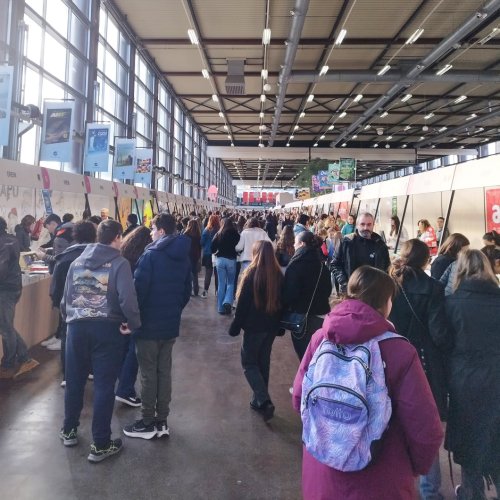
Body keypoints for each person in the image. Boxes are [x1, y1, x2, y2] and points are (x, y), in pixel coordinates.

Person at [292, 266, 443, 500]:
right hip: (380, 478)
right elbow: (425, 428)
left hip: (321, 473)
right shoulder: (400, 351)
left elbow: (298, 397)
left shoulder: (321, 338)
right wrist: (413, 467)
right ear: (385, 302)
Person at [60, 220, 141, 462]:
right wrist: (133, 324)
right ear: (117, 237)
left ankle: (69, 430)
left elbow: (65, 300)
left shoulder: (77, 262)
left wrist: (72, 320)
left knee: (74, 381)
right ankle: (101, 443)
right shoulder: (119, 263)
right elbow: (127, 299)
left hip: (76, 328)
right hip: (107, 330)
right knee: (104, 385)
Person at [388, 239, 450, 500]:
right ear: (426, 260)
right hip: (424, 363)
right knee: (426, 426)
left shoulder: (389, 284)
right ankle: (429, 491)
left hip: (391, 359)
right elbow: (439, 333)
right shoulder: (434, 288)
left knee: (391, 426)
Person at [123, 213, 191, 440]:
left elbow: (138, 292)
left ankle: (147, 422)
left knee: (148, 374)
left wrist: (132, 320)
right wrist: (174, 310)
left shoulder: (150, 256)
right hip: (169, 325)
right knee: (164, 372)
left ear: (161, 231)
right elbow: (185, 292)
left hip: (148, 326)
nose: (151, 234)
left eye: (153, 229)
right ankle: (162, 420)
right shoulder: (183, 256)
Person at [445, 249, 500, 500]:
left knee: (469, 444)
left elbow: (445, 341)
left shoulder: (451, 303)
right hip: (496, 376)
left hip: (464, 380)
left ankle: (472, 494)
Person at [229, 240, 283, 422]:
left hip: (254, 327)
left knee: (249, 363)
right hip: (271, 327)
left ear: (255, 254)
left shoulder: (251, 274)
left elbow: (242, 305)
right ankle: (257, 400)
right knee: (263, 362)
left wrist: (236, 325)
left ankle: (264, 401)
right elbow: (283, 303)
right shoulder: (278, 275)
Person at [50, 220, 97, 386]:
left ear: (75, 235)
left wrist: (58, 303)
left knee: (67, 338)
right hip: (95, 306)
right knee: (92, 338)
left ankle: (68, 375)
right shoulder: (101, 256)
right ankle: (91, 369)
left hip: (69, 306)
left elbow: (56, 286)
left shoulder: (65, 257)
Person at [115, 226, 152, 407]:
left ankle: (122, 383)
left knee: (122, 348)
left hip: (118, 307)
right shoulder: (145, 259)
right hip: (134, 308)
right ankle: (125, 389)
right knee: (133, 349)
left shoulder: (122, 256)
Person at [282, 231, 332, 360]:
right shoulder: (322, 266)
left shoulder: (295, 265)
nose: (294, 245)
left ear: (302, 244)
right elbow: (328, 290)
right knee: (317, 356)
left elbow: (289, 294)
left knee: (304, 357)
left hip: (301, 317)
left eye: (295, 243)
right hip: (321, 316)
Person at [0, 217, 40, 379]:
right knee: (5, 325)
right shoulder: (12, 239)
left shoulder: (2, 243)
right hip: (13, 286)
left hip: (5, 289)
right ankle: (24, 358)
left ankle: (8, 365)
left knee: (5, 328)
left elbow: (1, 270)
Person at [330, 212, 390, 294]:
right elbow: (335, 264)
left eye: (369, 224)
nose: (366, 227)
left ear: (373, 225)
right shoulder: (346, 242)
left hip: (374, 292)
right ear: (357, 225)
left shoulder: (380, 244)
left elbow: (387, 267)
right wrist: (345, 283)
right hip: (351, 291)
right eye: (362, 224)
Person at [211, 217, 240, 315]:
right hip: (231, 260)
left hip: (220, 260)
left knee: (221, 284)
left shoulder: (218, 234)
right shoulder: (236, 234)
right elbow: (239, 248)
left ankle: (220, 308)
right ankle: (227, 301)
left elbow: (212, 248)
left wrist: (216, 251)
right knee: (231, 283)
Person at [200, 215, 220, 299]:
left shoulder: (206, 230)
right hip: (217, 254)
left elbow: (202, 242)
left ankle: (205, 291)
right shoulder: (220, 230)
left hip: (208, 253)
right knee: (217, 273)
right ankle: (217, 291)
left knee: (208, 273)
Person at [183, 219, 202, 296]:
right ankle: (196, 290)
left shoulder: (186, 234)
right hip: (195, 256)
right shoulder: (198, 235)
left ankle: (189, 290)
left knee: (188, 274)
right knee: (195, 274)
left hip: (187, 255)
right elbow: (200, 247)